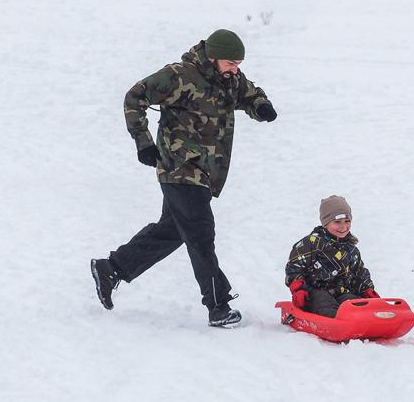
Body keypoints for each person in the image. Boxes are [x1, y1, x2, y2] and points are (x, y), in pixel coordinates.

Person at [91, 29, 277, 328]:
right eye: (231, 62)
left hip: (204, 173)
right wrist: (144, 142)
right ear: (213, 56)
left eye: (239, 63)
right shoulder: (178, 76)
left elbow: (251, 93)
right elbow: (134, 96)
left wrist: (260, 107)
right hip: (178, 167)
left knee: (173, 231)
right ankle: (218, 305)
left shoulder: (229, 79)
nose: (236, 69)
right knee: (201, 234)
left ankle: (112, 268)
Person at [284, 195, 380, 318]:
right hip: (313, 293)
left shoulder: (351, 249)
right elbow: (294, 268)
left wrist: (366, 289)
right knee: (325, 302)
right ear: (325, 223)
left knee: (354, 303)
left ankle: (364, 321)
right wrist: (299, 289)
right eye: (337, 222)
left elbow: (359, 272)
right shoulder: (311, 243)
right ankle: (338, 322)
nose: (343, 226)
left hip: (341, 293)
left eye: (347, 221)